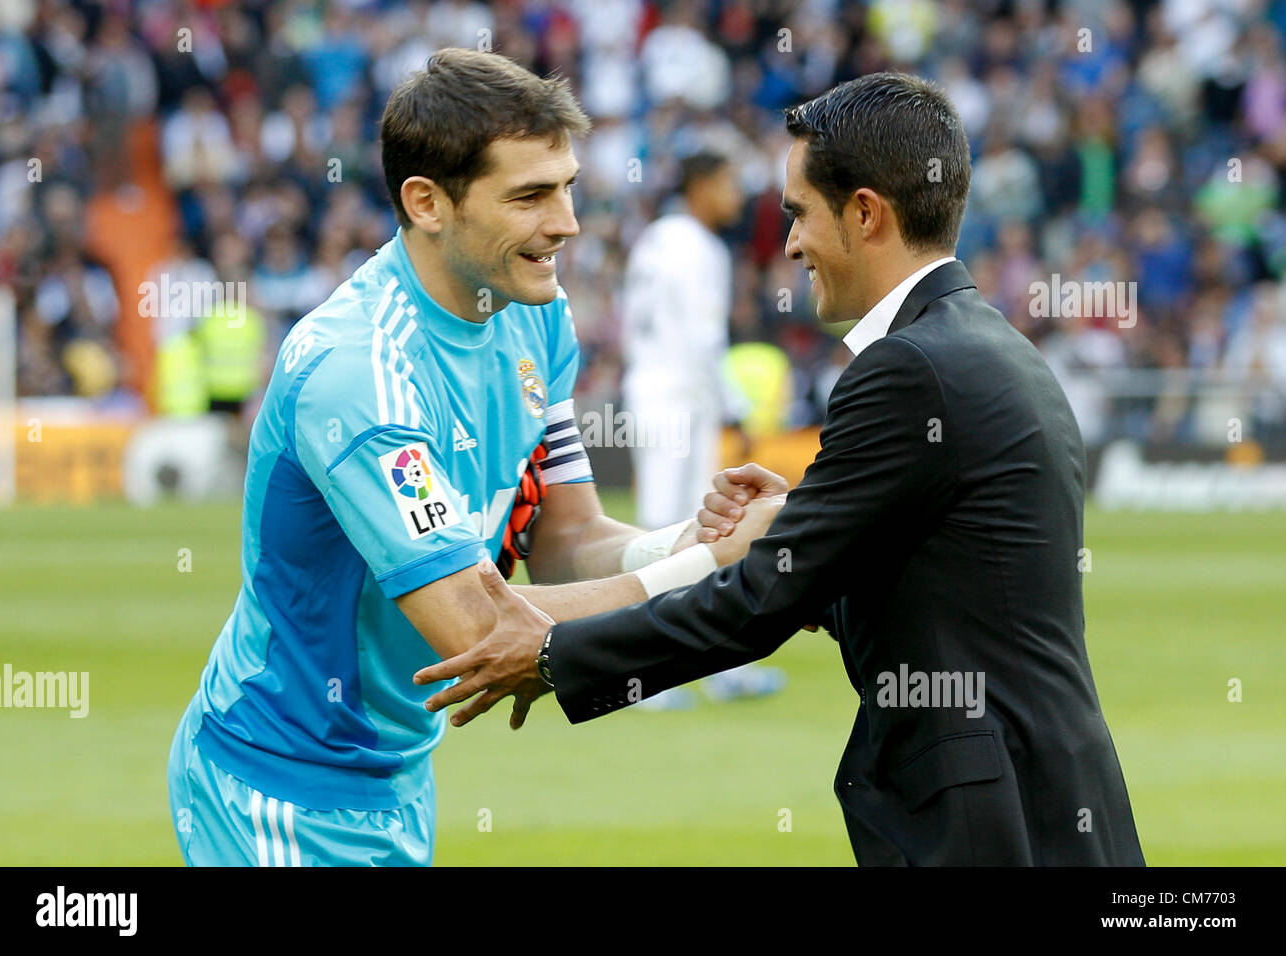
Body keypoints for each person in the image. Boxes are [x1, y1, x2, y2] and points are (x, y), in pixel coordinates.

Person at [416, 73, 1147, 867]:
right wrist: (806, 523)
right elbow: (942, 581)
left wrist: (555, 653)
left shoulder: (907, 369)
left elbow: (757, 605)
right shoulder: (990, 346)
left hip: (990, 820)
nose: (791, 242)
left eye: (799, 214)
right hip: (1052, 795)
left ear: (865, 213)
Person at [166, 49, 779, 867]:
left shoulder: (537, 315)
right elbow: (478, 630)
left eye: (565, 186)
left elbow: (565, 541)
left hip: (394, 779)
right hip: (280, 784)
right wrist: (712, 570)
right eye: (529, 196)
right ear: (426, 202)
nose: (565, 222)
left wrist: (696, 544)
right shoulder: (358, 373)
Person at [621, 151, 784, 707]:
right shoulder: (698, 246)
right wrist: (736, 407)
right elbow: (704, 339)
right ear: (703, 185)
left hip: (654, 386)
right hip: (682, 393)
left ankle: (709, 664)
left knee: (681, 528)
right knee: (681, 531)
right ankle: (646, 675)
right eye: (730, 183)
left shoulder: (655, 238)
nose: (736, 197)